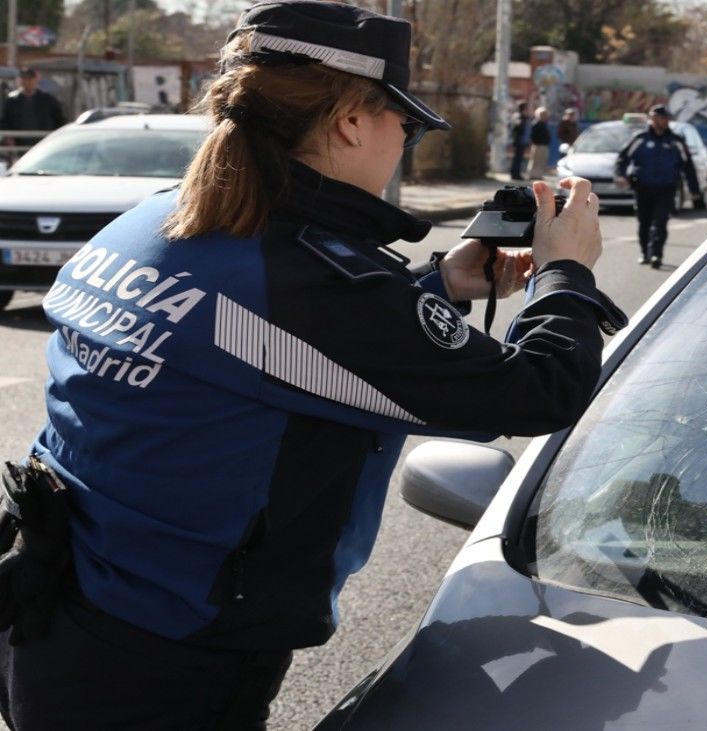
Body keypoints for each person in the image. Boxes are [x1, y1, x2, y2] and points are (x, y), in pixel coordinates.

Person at [0, 1, 621, 728]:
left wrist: (440, 286)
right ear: (350, 121)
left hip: (55, 612)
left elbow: (265, 345)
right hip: (164, 666)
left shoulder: (156, 222)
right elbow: (538, 392)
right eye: (407, 124)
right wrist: (567, 273)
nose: (406, 145)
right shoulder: (311, 285)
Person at [614, 104, 701, 269]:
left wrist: (694, 190)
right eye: (662, 118)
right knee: (644, 222)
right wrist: (621, 176)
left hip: (666, 188)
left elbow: (688, 166)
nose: (665, 121)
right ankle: (644, 252)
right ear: (652, 119)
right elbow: (622, 158)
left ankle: (656, 254)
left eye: (667, 118)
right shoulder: (640, 139)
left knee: (660, 223)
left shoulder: (676, 141)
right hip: (643, 188)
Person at [508, 101, 531, 180]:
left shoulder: (517, 116)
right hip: (519, 140)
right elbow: (517, 127)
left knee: (518, 158)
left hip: (519, 140)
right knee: (518, 158)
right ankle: (515, 174)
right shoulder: (520, 116)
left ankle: (515, 173)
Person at [528, 106, 551, 180]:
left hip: (544, 145)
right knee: (535, 161)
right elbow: (532, 135)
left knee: (542, 161)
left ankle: (538, 175)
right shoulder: (536, 124)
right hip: (538, 145)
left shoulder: (544, 124)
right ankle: (532, 175)